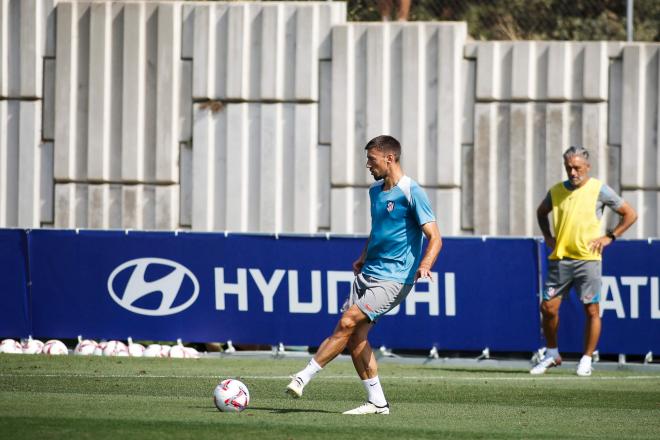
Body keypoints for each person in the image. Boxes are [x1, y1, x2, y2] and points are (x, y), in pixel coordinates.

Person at [286, 135, 442, 414]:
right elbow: (378, 230)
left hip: (395, 278)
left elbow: (435, 238)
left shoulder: (412, 191)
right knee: (356, 338)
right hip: (370, 271)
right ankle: (378, 402)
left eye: (371, 159)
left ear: (389, 158)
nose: (367, 165)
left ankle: (303, 376)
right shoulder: (374, 192)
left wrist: (425, 265)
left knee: (347, 322)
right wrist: (363, 255)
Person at [531, 146, 637, 376]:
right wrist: (548, 236)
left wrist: (610, 236)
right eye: (568, 167)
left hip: (587, 260)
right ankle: (552, 353)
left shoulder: (599, 190)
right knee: (548, 308)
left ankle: (587, 358)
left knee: (591, 309)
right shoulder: (557, 191)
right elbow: (541, 212)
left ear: (587, 167)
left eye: (577, 167)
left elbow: (630, 213)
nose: (572, 172)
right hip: (560, 259)